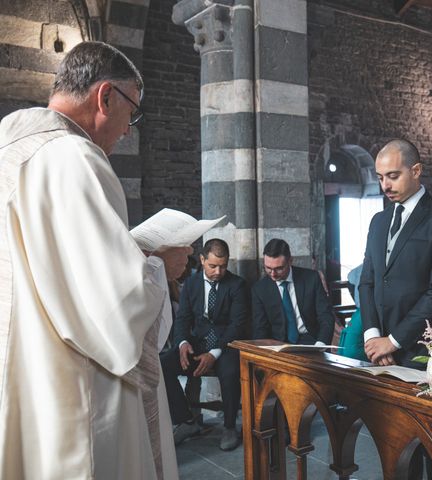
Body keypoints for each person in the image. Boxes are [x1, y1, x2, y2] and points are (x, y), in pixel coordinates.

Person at [0, 41, 193, 479]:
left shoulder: (9, 153)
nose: (129, 129)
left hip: (24, 381)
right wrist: (162, 266)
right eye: (133, 112)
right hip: (74, 392)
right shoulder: (74, 158)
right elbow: (116, 309)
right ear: (105, 96)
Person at [359, 139, 432, 368]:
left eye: (393, 176)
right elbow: (367, 282)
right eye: (380, 177)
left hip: (422, 350)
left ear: (416, 171)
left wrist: (394, 341)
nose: (385, 185)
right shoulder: (378, 221)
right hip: (377, 351)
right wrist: (373, 338)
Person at [161, 239, 248, 450]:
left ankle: (229, 426)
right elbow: (182, 318)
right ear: (202, 260)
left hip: (226, 346)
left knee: (230, 371)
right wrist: (182, 343)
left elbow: (237, 325)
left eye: (223, 266)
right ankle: (186, 421)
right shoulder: (190, 284)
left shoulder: (237, 285)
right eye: (213, 266)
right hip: (197, 345)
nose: (218, 271)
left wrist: (214, 353)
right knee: (162, 364)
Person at [252, 238, 334, 345]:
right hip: (277, 344)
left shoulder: (311, 279)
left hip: (311, 341)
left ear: (290, 261)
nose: (273, 274)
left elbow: (325, 316)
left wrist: (321, 342)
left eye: (279, 268)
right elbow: (260, 328)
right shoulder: (259, 289)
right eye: (268, 268)